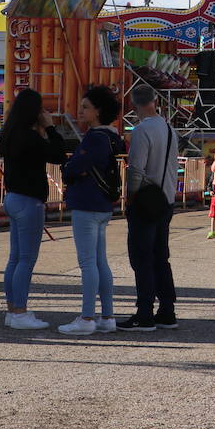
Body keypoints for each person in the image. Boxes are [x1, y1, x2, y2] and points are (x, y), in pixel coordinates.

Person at [0, 89, 65, 329]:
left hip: (13, 198)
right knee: (26, 259)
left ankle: (13, 309)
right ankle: (20, 313)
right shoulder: (30, 137)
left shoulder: (10, 134)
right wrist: (50, 128)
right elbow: (58, 154)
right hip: (29, 201)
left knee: (15, 258)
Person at [59, 85, 122, 336]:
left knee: (87, 263)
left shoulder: (95, 138)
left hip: (86, 203)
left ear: (98, 111)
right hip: (102, 204)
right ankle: (107, 316)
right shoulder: (111, 137)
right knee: (99, 261)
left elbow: (73, 168)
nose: (80, 111)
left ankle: (87, 317)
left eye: (86, 107)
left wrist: (70, 167)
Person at [117, 84, 180, 332]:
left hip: (145, 202)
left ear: (134, 104)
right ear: (156, 101)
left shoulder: (142, 130)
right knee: (160, 257)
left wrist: (129, 198)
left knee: (141, 257)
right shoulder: (168, 128)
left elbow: (136, 170)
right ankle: (167, 310)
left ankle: (144, 313)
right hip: (166, 200)